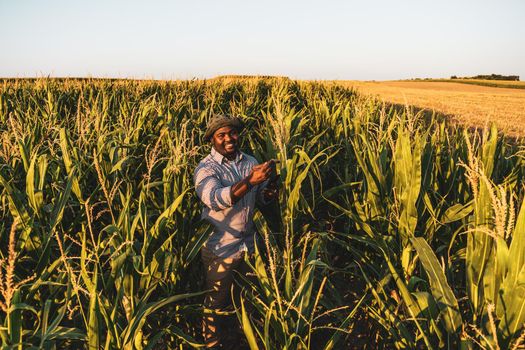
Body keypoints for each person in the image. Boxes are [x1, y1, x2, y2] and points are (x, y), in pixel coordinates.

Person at [194, 114, 278, 348]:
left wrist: (269, 189)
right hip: (220, 249)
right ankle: (212, 344)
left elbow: (260, 198)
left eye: (233, 133)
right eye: (221, 135)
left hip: (249, 246)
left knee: (247, 299)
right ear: (212, 139)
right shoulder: (205, 169)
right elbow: (215, 199)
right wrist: (250, 181)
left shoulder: (250, 162)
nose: (229, 138)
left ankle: (244, 339)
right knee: (215, 303)